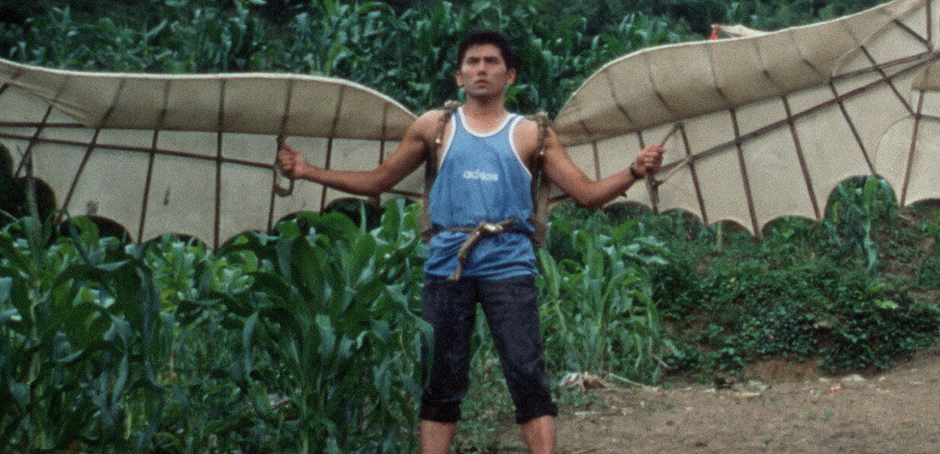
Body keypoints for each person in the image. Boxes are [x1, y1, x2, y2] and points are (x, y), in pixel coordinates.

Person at [277, 29, 664, 454]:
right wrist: (307, 171)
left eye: (492, 62)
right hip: (448, 266)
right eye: (472, 62)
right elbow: (378, 181)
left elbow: (587, 194)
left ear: (510, 75)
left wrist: (634, 171)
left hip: (510, 265)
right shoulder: (434, 127)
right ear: (459, 76)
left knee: (527, 375)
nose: (482, 69)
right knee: (439, 380)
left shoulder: (532, 134)